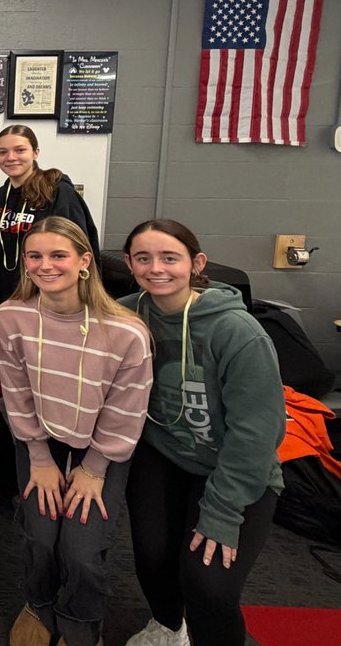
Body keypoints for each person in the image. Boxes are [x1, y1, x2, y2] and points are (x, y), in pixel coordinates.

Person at [120, 220, 283, 646]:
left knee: (209, 584)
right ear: (129, 264)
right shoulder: (125, 315)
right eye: (143, 258)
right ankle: (167, 625)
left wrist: (223, 513)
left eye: (170, 258)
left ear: (196, 263)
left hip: (232, 466)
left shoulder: (237, 332)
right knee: (153, 559)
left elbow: (256, 434)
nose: (156, 268)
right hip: (164, 454)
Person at [0, 217, 152, 646]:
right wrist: (40, 459)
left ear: (85, 261)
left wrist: (95, 468)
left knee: (81, 551)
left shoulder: (126, 331)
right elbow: (16, 391)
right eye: (35, 256)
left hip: (100, 448)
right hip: (39, 441)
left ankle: (80, 621)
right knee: (40, 536)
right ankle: (39, 605)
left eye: (58, 255)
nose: (46, 265)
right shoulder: (11, 317)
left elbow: (127, 409)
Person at [0, 124, 99, 307]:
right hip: (4, 294)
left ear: (35, 152)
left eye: (20, 150)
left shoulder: (58, 191)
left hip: (48, 294)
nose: (10, 157)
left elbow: (79, 247)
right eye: (2, 152)